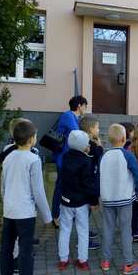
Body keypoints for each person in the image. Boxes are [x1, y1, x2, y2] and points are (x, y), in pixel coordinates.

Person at [0, 121, 52, 275]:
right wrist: (47, 217)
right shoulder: (33, 159)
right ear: (30, 139)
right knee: (25, 248)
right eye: (35, 135)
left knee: (7, 245)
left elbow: (3, 185)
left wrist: (6, 203)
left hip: (9, 210)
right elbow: (38, 190)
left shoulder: (8, 157)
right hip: (25, 213)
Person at [99, 124, 138, 274]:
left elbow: (98, 177)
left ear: (109, 139)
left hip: (107, 199)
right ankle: (128, 263)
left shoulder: (104, 156)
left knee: (107, 229)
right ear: (125, 139)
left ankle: (106, 261)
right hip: (124, 199)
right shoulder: (127, 155)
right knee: (126, 231)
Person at [57, 130, 99, 271]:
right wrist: (93, 201)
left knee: (65, 230)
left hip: (65, 200)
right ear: (83, 146)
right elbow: (88, 184)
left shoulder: (65, 157)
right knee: (82, 230)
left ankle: (63, 259)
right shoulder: (86, 161)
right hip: (81, 203)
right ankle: (83, 260)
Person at [52, 95, 88, 228]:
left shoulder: (74, 117)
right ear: (79, 105)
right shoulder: (68, 116)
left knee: (65, 185)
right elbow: (77, 135)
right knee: (60, 186)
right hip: (63, 159)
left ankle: (65, 213)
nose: (85, 108)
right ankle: (55, 215)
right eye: (85, 105)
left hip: (68, 158)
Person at [79, 114, 104, 249]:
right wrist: (99, 146)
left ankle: (84, 234)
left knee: (83, 214)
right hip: (89, 182)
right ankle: (84, 241)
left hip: (81, 183)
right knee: (84, 213)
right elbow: (99, 159)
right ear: (91, 129)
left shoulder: (80, 142)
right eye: (97, 127)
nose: (99, 130)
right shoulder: (91, 145)